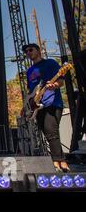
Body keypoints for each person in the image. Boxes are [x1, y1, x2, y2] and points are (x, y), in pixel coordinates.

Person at [23, 43, 69, 172]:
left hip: (52, 103)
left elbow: (61, 80)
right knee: (48, 134)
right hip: (38, 107)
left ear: (39, 51)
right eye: (26, 52)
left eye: (31, 50)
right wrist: (26, 105)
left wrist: (54, 85)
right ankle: (61, 161)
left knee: (51, 131)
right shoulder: (30, 71)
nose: (28, 53)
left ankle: (58, 161)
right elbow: (30, 90)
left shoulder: (50, 63)